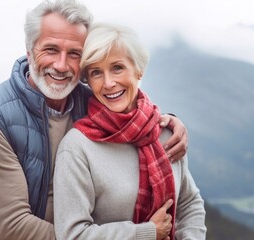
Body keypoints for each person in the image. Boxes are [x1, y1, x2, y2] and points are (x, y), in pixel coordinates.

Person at [0, 0, 188, 239]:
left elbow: (132, 115)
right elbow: (16, 227)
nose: (61, 65)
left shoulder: (90, 100)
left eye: (74, 54)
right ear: (29, 51)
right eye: (50, 50)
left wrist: (166, 122)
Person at [53, 22, 206, 240]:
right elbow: (72, 235)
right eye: (97, 72)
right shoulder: (77, 147)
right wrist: (146, 233)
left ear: (138, 70)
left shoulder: (164, 132)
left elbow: (190, 203)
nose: (108, 83)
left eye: (117, 67)